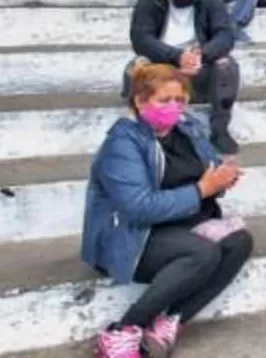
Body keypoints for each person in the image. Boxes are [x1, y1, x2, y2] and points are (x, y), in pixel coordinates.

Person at [82, 62, 252, 358]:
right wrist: (202, 190)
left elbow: (208, 173)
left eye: (180, 100)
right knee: (202, 253)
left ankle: (170, 321)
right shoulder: (122, 143)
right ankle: (122, 330)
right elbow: (139, 208)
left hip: (180, 226)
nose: (174, 108)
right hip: (131, 237)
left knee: (240, 242)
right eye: (164, 100)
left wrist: (224, 178)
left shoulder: (188, 129)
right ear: (140, 101)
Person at [127, 0, 241, 155]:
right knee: (137, 66)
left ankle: (220, 130)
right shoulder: (149, 2)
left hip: (199, 68)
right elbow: (141, 39)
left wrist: (202, 54)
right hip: (163, 68)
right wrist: (176, 57)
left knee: (226, 65)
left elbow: (225, 35)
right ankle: (145, 134)